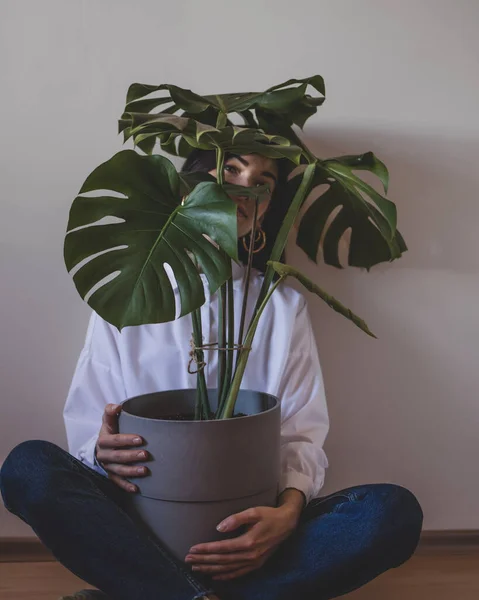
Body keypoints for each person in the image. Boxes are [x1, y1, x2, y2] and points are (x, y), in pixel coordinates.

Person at [0, 150, 423, 600]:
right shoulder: (135, 289)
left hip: (247, 532)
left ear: (267, 213)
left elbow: (302, 433)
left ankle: (162, 594)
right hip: (139, 526)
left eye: (264, 182)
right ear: (191, 187)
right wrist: (99, 451)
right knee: (28, 467)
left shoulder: (278, 306)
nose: (245, 188)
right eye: (232, 170)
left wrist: (288, 514)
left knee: (392, 512)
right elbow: (88, 421)